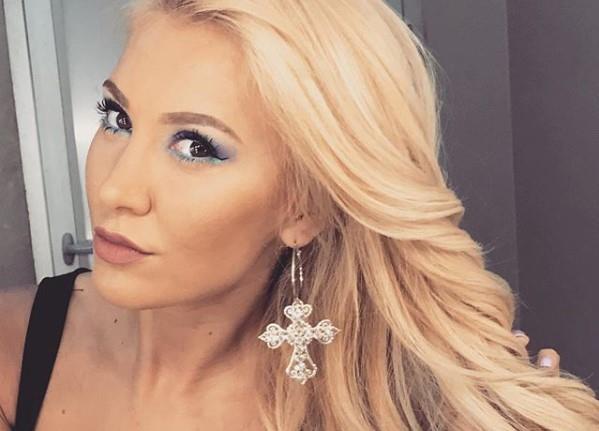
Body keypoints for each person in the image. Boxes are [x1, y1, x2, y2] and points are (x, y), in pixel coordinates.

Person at [1, 0, 597, 429]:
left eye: (196, 146)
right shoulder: (12, 351)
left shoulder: (382, 407)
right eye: (117, 119)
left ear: (303, 209)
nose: (115, 189)